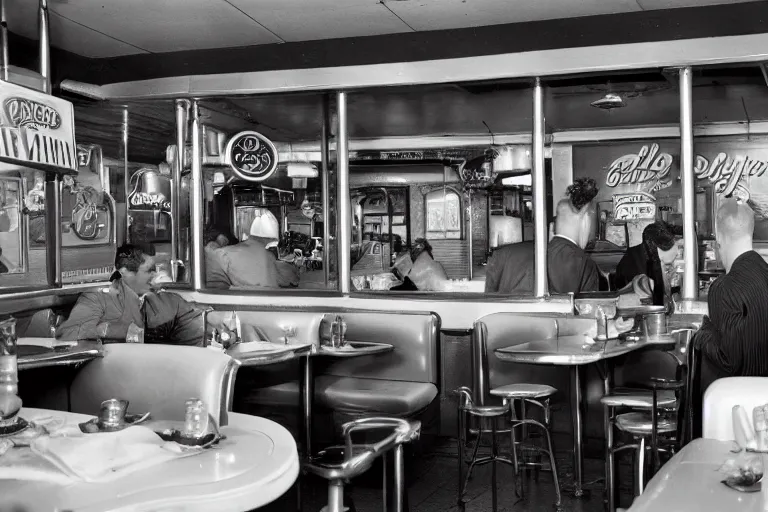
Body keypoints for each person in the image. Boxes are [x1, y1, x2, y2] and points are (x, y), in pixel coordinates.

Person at [691, 199, 768, 436]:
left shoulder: (724, 287)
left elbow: (728, 359)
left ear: (718, 241)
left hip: (741, 416)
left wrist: (701, 333)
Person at [56, 244, 205, 345]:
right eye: (149, 271)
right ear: (125, 273)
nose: (155, 275)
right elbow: (67, 333)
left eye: (156, 270)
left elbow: (186, 313)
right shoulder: (97, 297)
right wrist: (111, 330)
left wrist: (208, 316)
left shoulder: (154, 299)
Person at [485, 177, 601, 294]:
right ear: (585, 219)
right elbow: (587, 310)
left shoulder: (503, 255)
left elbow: (487, 304)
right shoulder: (585, 266)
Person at [219, 209, 299, 289]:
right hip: (265, 298)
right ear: (267, 240)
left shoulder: (225, 253)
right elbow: (288, 281)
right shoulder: (267, 256)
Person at [614, 221, 682, 308]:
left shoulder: (643, 253)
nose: (678, 253)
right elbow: (654, 300)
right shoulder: (639, 268)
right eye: (678, 246)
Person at [204, 225, 233, 289]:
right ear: (221, 237)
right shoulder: (221, 252)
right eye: (226, 239)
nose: (227, 242)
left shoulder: (204, 250)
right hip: (222, 287)